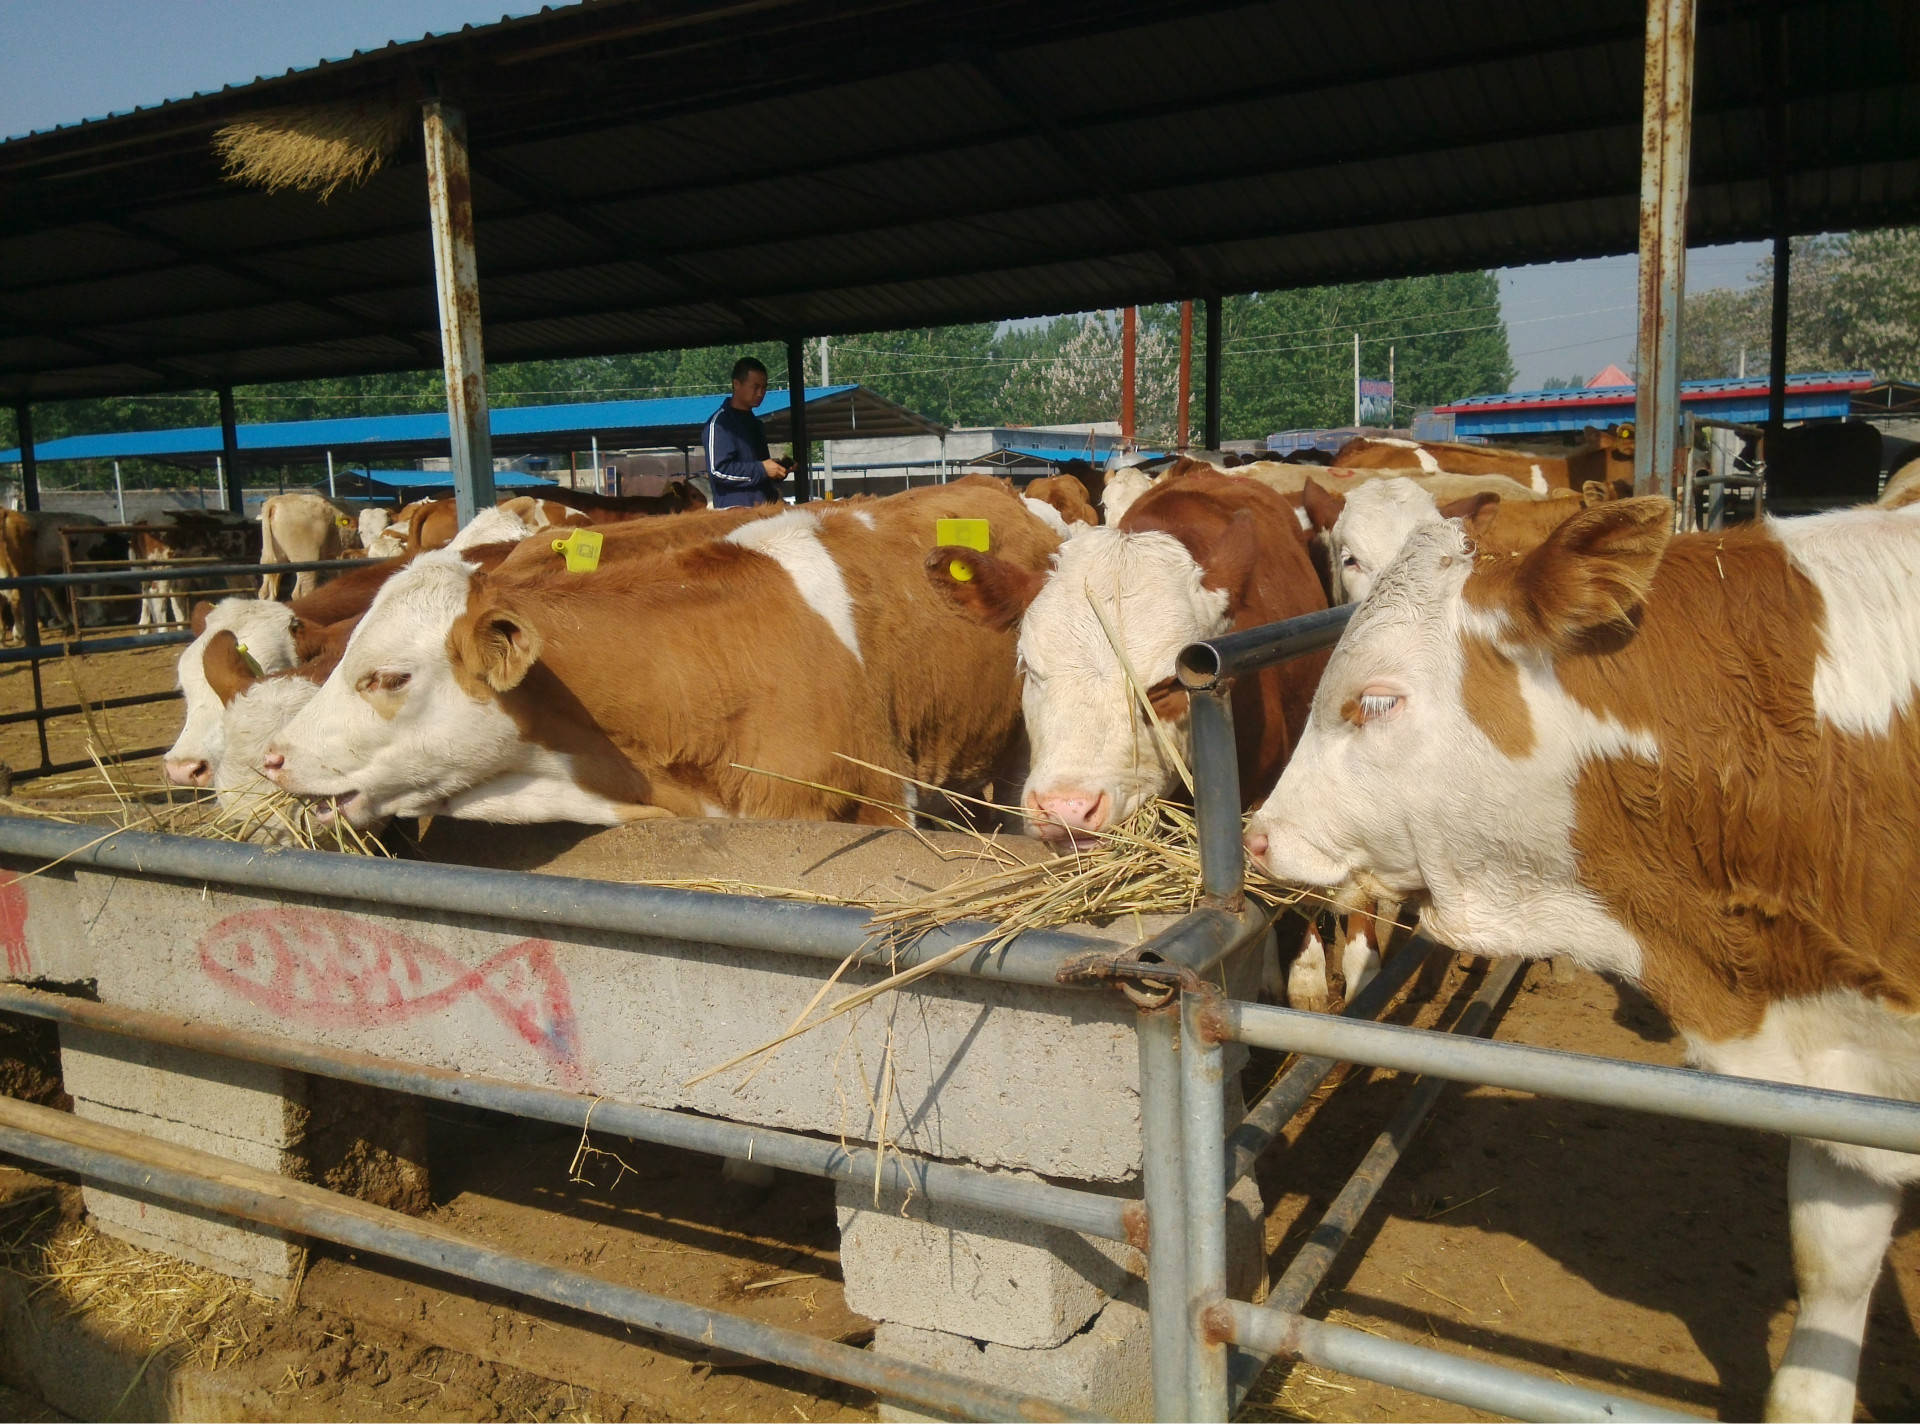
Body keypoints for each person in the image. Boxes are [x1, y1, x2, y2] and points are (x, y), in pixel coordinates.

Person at [702, 357, 789, 508]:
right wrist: (762, 469)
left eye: (764, 387)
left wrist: (778, 470)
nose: (760, 393)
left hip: (763, 510)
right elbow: (718, 471)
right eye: (755, 387)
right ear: (736, 384)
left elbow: (758, 473)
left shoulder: (755, 424)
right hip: (734, 514)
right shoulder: (720, 424)